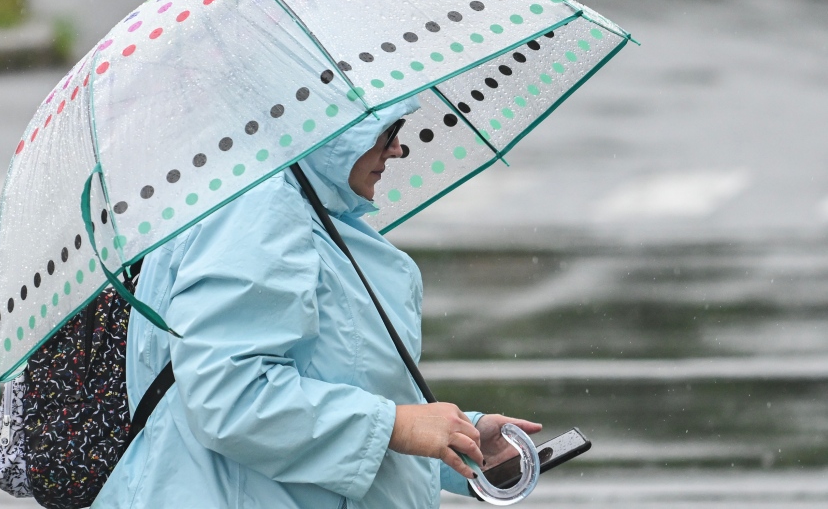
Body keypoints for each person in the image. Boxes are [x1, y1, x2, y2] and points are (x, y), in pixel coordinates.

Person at [93, 98, 540, 508]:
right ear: (335, 126)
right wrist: (397, 426)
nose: (398, 149)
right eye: (386, 129)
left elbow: (336, 383)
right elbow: (230, 397)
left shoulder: (309, 212)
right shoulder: (256, 211)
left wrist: (460, 439)